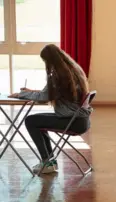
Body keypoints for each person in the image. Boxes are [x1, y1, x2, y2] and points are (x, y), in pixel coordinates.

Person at [9, 44, 92, 174]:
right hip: (80, 120)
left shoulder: (58, 76)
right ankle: (50, 162)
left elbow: (44, 97)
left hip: (72, 121)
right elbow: (51, 93)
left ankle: (47, 162)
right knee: (37, 121)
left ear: (50, 60)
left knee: (31, 121)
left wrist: (21, 94)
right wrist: (32, 91)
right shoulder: (74, 70)